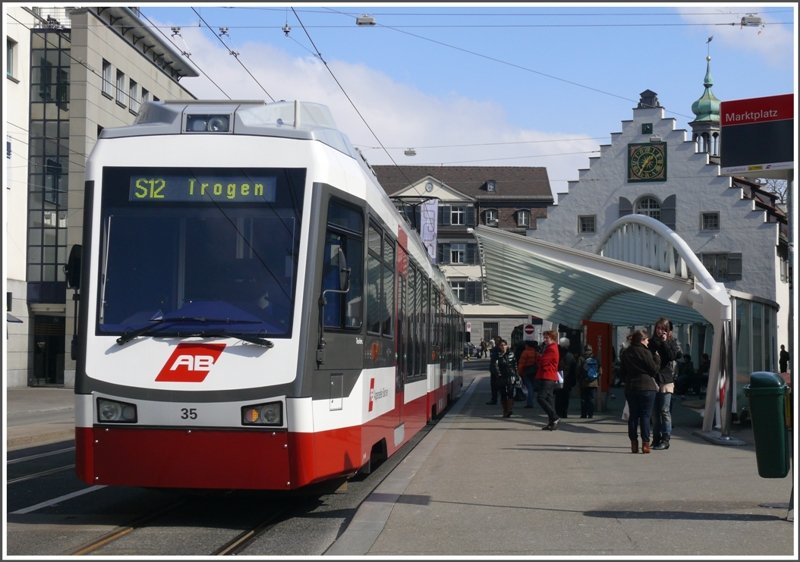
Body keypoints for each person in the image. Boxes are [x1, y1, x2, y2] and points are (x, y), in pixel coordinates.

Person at [621, 328, 660, 453]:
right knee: (645, 415)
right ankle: (645, 444)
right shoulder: (645, 352)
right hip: (646, 387)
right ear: (642, 340)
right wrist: (657, 359)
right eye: (647, 340)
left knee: (633, 416)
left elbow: (622, 372)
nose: (648, 342)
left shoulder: (626, 353)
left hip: (631, 387)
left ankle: (633, 443)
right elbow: (653, 369)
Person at [647, 318, 682, 451]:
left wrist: (664, 342)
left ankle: (665, 439)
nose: (659, 331)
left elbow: (672, 356)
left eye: (663, 329)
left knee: (664, 410)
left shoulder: (671, 342)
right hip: (654, 379)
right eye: (658, 328)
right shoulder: (650, 343)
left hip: (667, 380)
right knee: (655, 412)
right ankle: (656, 438)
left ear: (668, 331)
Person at [535, 330, 561, 430]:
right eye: (544, 337)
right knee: (549, 399)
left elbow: (543, 361)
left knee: (540, 397)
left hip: (548, 376)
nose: (544, 340)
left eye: (547, 338)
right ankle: (552, 422)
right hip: (547, 375)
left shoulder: (552, 348)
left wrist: (539, 356)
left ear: (552, 338)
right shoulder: (550, 347)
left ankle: (555, 417)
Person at [492, 339, 518, 418]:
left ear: (507, 345)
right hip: (501, 376)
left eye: (504, 345)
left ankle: (509, 410)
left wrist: (517, 375)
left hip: (511, 376)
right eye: (501, 345)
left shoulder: (511, 354)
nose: (503, 346)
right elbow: (495, 366)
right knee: (503, 393)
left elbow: (515, 365)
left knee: (510, 392)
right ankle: (505, 410)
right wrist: (498, 374)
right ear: (499, 346)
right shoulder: (497, 355)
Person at [554, 337, 577, 418]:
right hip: (567, 378)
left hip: (558, 376)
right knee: (566, 397)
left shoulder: (557, 354)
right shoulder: (571, 356)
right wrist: (573, 380)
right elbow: (574, 369)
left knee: (558, 396)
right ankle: (564, 412)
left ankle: (558, 412)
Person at [576, 345, 600, 419]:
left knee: (583, 398)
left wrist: (579, 379)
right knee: (591, 398)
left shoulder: (581, 358)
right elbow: (600, 371)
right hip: (593, 383)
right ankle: (590, 414)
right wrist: (595, 378)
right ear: (591, 350)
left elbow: (577, 370)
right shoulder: (595, 358)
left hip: (583, 382)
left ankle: (584, 414)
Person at [517, 340, 539, 409]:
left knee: (529, 387)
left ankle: (529, 403)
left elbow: (521, 363)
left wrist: (519, 372)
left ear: (528, 345)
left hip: (526, 371)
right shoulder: (536, 352)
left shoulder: (525, 352)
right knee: (531, 387)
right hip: (534, 371)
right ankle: (531, 401)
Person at [486, 337, 502, 405]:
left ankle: (494, 399)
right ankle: (499, 400)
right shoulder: (500, 349)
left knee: (495, 386)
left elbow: (494, 361)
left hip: (496, 371)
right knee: (498, 386)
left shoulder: (496, 349)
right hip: (498, 370)